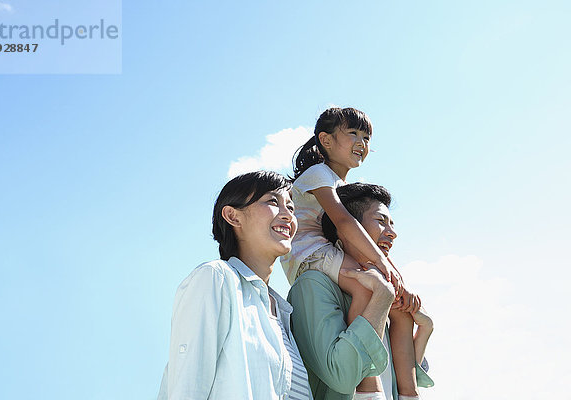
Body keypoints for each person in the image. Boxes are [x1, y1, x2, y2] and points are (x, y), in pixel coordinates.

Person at [280, 107, 415, 398]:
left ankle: (399, 386)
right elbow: (344, 222)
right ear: (326, 140)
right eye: (352, 133)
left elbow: (355, 236)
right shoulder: (319, 175)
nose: (361, 143)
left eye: (366, 137)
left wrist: (392, 270)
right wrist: (381, 263)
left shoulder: (339, 184)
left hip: (326, 250)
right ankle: (367, 384)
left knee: (383, 288)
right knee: (370, 289)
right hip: (308, 253)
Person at [157, 171, 313, 400]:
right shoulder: (216, 279)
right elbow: (187, 387)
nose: (288, 215)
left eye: (291, 207)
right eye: (273, 201)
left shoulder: (284, 312)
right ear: (233, 216)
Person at [288, 183, 434, 400]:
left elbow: (399, 380)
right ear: (348, 228)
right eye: (381, 221)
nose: (392, 233)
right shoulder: (313, 285)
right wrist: (382, 295)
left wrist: (425, 329)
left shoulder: (385, 297)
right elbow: (342, 376)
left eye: (391, 224)